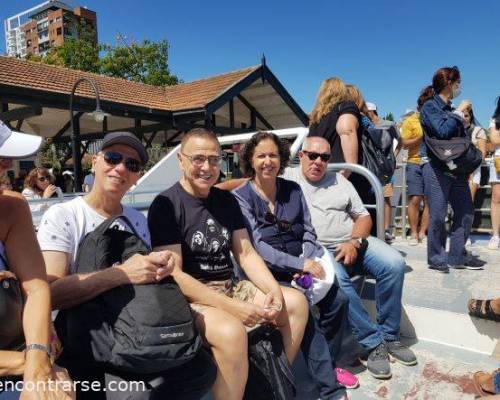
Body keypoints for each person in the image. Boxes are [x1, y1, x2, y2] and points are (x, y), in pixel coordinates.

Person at [38, 131, 216, 400]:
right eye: (112, 158)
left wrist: (162, 266)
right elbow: (49, 295)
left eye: (131, 165)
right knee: (137, 394)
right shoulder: (63, 216)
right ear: (95, 162)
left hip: (136, 334)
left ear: (136, 176)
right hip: (87, 342)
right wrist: (120, 274)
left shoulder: (137, 220)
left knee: (202, 369)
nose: (120, 168)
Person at [147, 128, 309, 400]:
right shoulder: (167, 204)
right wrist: (233, 307)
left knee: (295, 304)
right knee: (232, 332)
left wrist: (274, 292)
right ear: (181, 161)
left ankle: (269, 385)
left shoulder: (225, 200)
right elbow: (174, 274)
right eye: (198, 159)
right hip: (191, 297)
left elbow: (245, 253)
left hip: (229, 285)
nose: (207, 167)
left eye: (214, 159)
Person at [282, 136, 416, 379]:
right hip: (317, 249)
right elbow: (248, 183)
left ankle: (390, 336)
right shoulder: (287, 178)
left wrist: (354, 241)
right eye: (312, 155)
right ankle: (373, 342)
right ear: (301, 156)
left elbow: (363, 217)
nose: (318, 162)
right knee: (339, 281)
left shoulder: (339, 181)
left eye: (324, 157)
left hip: (352, 240)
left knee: (394, 263)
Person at [231, 131, 353, 400]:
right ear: (251, 160)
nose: (267, 161)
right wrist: (299, 264)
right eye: (261, 155)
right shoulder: (242, 198)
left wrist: (307, 261)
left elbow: (308, 230)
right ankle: (330, 388)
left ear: (282, 159)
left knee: (340, 300)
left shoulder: (293, 190)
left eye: (273, 155)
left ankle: (325, 366)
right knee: (305, 311)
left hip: (304, 265)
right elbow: (258, 247)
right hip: (265, 273)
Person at [0, 119, 72, 400]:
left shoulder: (12, 207)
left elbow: (36, 286)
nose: (7, 166)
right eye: (1, 158)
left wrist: (40, 360)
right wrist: (29, 365)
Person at [419, 66, 484, 272]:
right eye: (458, 83)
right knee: (437, 215)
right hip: (436, 167)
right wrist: (458, 112)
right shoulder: (430, 107)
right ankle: (436, 258)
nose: (459, 87)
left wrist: (464, 121)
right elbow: (442, 131)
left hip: (457, 169)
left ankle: (457, 255)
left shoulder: (450, 110)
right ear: (449, 83)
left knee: (466, 212)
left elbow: (459, 139)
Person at [309, 78, 378, 235]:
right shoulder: (346, 107)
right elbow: (346, 130)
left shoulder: (316, 118)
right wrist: (349, 168)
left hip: (323, 176)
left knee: (333, 223)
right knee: (362, 220)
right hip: (347, 176)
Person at [400, 96, 430, 245]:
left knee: (429, 200)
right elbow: (404, 143)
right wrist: (420, 137)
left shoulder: (434, 119)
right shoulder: (409, 121)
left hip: (431, 163)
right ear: (419, 107)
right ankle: (413, 232)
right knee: (416, 198)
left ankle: (422, 232)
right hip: (414, 162)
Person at [463, 104, 488, 201]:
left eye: (466, 116)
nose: (464, 118)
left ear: (470, 117)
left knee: (467, 202)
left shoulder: (478, 130)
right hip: (456, 171)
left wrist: (470, 170)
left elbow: (482, 154)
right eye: (461, 116)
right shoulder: (453, 131)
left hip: (473, 171)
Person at [487, 97, 500, 250]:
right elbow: (495, 139)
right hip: (498, 161)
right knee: (496, 197)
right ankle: (496, 235)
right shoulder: (494, 120)